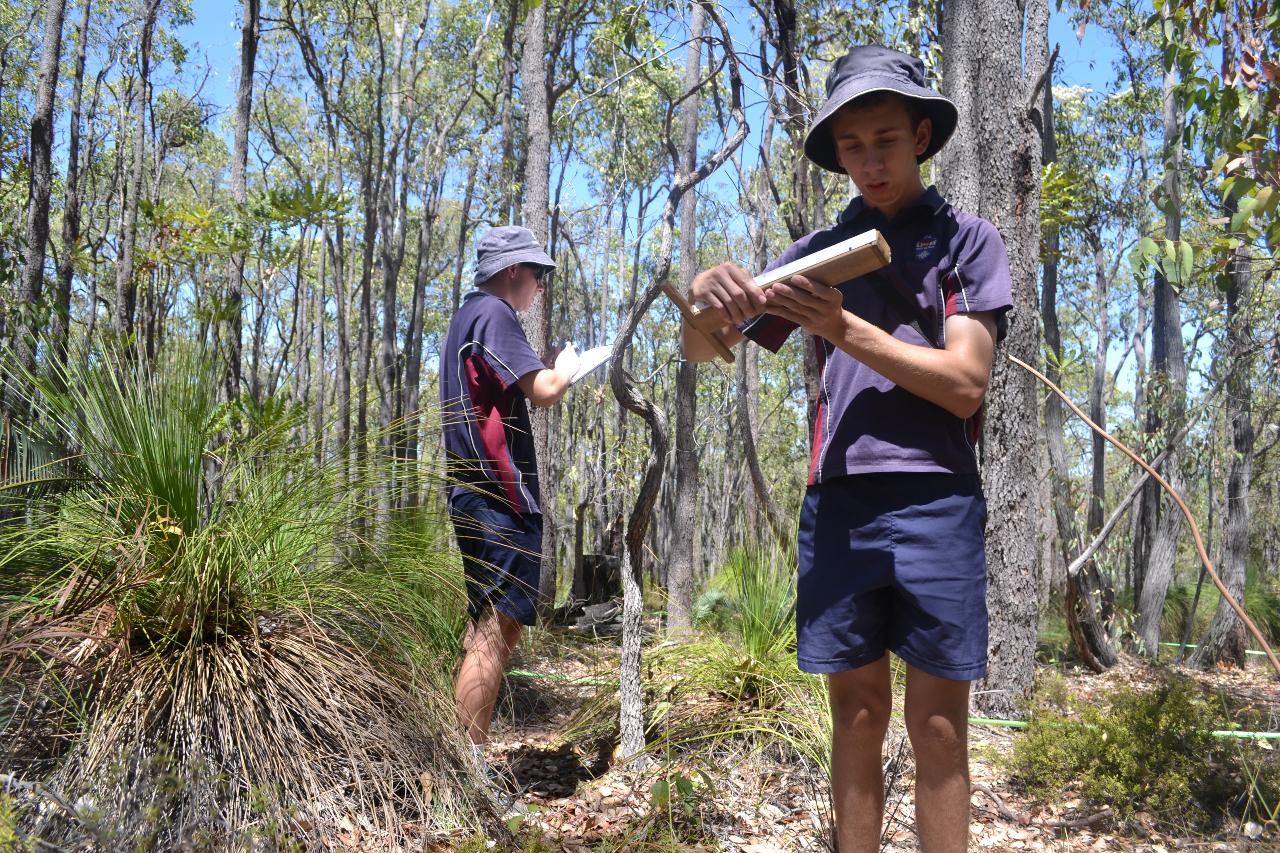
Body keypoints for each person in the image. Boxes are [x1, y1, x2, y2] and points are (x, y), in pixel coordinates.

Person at [681, 45, 1012, 853]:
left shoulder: (967, 243)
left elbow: (967, 383)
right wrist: (703, 299)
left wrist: (842, 327)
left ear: (922, 136)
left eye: (887, 140)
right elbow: (703, 349)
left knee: (937, 724)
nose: (871, 160)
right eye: (854, 146)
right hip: (841, 502)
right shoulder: (815, 255)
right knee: (857, 712)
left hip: (938, 497)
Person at [440, 225, 578, 754]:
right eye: (539, 275)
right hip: (497, 499)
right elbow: (543, 391)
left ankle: (461, 760)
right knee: (494, 636)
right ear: (514, 270)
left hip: (474, 495)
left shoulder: (466, 318)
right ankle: (468, 764)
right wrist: (564, 368)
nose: (540, 287)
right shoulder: (493, 314)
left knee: (487, 630)